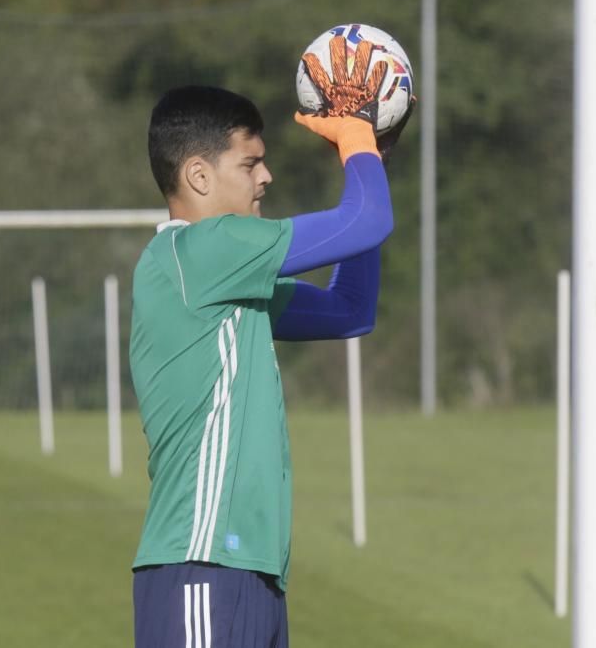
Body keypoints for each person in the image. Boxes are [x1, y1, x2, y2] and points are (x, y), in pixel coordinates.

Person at [129, 38, 409, 648]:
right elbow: (364, 220)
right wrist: (357, 138)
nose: (267, 177)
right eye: (250, 163)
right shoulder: (200, 250)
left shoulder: (224, 279)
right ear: (198, 176)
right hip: (201, 565)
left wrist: (372, 165)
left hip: (247, 569)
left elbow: (348, 312)